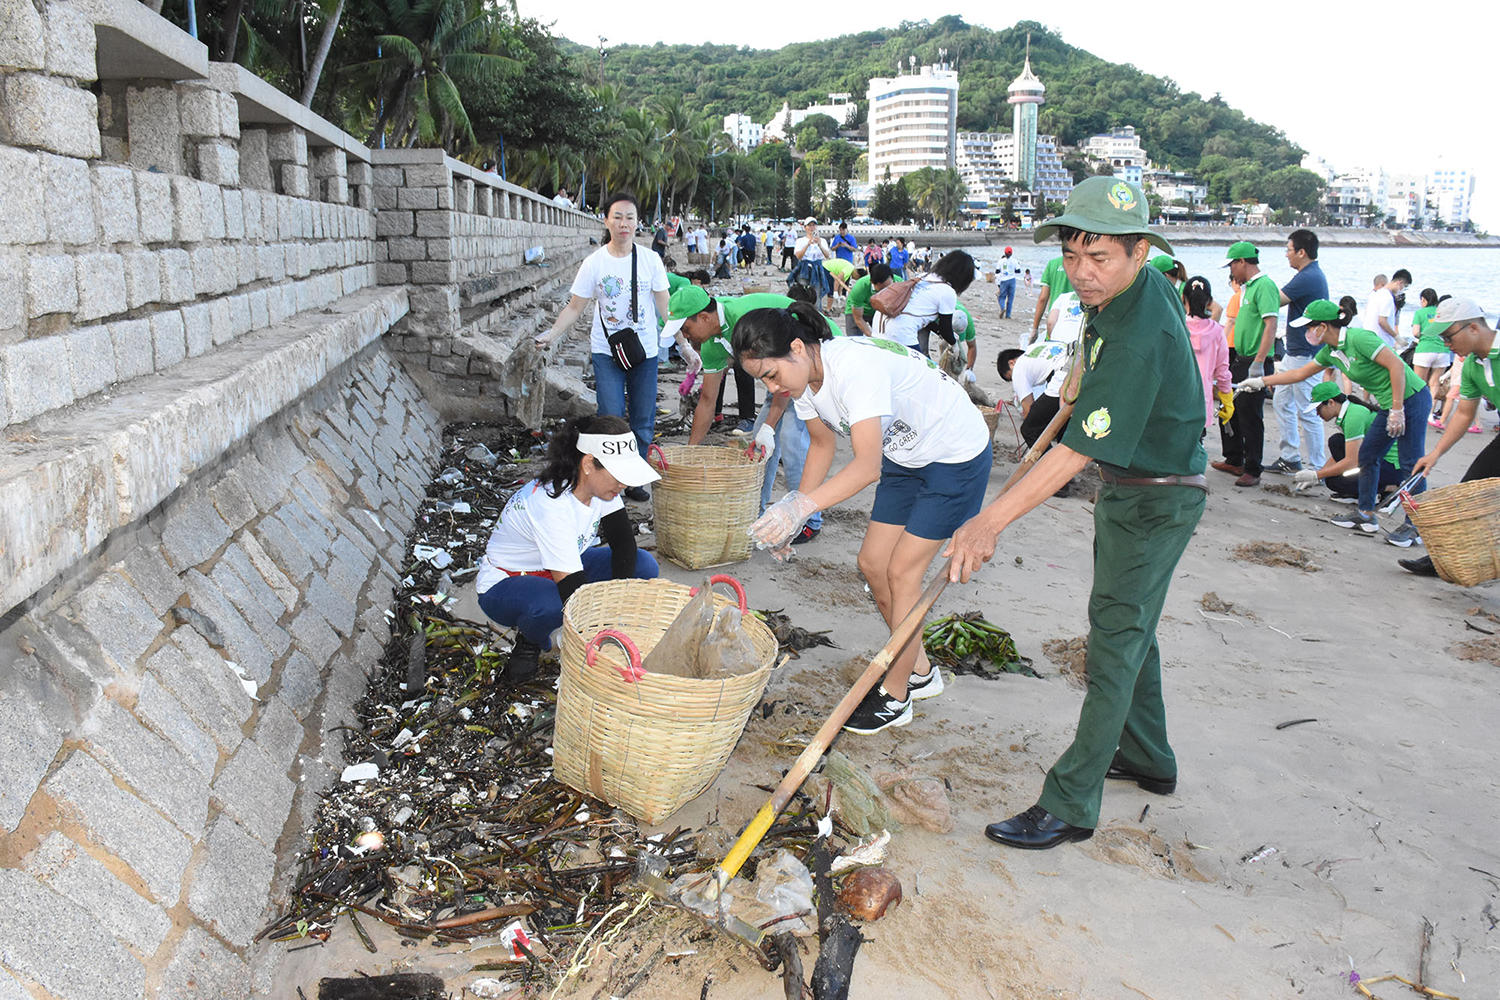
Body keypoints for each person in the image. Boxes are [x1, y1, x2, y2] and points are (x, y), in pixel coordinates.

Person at [946, 177, 1207, 851]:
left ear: (1140, 251)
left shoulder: (1141, 331)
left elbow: (1071, 455)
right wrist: (1078, 375)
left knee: (1115, 639)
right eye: (1072, 255)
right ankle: (1149, 757)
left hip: (1157, 497)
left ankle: (1070, 803)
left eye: (1101, 258)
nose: (1084, 273)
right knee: (1128, 624)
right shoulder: (1136, 290)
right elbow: (1097, 349)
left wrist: (988, 522)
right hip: (1135, 486)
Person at [734, 303, 992, 734]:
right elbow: (822, 445)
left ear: (797, 348)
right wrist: (796, 512)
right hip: (905, 456)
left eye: (772, 375)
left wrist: (801, 508)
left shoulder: (853, 369)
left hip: (955, 455)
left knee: (903, 572)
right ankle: (920, 671)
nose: (772, 387)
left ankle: (896, 696)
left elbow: (867, 466)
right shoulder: (804, 384)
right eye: (763, 380)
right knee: (872, 564)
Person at [475, 415, 660, 678]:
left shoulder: (600, 489)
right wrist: (600, 639)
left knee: (643, 565)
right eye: (619, 475)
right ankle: (530, 640)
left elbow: (624, 546)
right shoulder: (551, 505)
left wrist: (617, 611)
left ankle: (582, 624)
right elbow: (574, 591)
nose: (624, 485)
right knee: (551, 605)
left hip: (565, 565)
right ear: (588, 464)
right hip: (508, 580)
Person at [1247, 298, 1430, 546]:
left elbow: (1396, 366)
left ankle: (1415, 527)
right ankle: (1365, 514)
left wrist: (1398, 408)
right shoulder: (1331, 352)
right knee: (1367, 456)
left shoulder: (1358, 338)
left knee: (1411, 462)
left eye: (1310, 326)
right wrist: (1262, 382)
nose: (1307, 332)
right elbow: (1299, 373)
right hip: (1390, 404)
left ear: (1323, 326)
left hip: (1412, 398)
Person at [537, 192, 670, 503]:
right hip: (607, 351)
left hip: (645, 351)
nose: (624, 223)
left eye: (630, 218)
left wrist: (684, 345)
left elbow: (665, 306)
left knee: (643, 420)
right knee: (610, 416)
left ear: (638, 223)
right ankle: (610, 477)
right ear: (606, 220)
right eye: (617, 217)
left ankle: (634, 478)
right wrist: (552, 334)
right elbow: (575, 306)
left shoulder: (650, 260)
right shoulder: (594, 262)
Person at [1400, 298, 1498, 574]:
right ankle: (1443, 559)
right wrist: (1435, 454)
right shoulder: (1472, 366)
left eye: (1448, 336)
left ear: (1473, 328)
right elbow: (1464, 414)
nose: (1446, 344)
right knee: (1468, 490)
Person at [1268, 229, 1331, 476]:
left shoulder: (1308, 276)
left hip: (1305, 354)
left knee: (1308, 411)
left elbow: (1276, 299)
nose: (1287, 255)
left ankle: (1317, 467)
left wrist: (1255, 286)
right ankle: (1290, 457)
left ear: (1302, 252)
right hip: (1295, 352)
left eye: (1289, 250)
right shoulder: (1309, 274)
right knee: (1282, 402)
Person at [1219, 241, 1279, 488]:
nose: (1231, 271)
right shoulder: (1247, 288)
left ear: (1242, 262)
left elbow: (1271, 324)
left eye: (1232, 265)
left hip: (1255, 360)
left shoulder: (1264, 285)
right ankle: (1234, 458)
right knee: (1229, 407)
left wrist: (1259, 362)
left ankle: (1253, 468)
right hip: (1240, 358)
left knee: (1251, 415)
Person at [1295, 382, 1402, 503]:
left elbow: (1352, 461)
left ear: (1331, 403)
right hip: (1378, 458)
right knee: (1336, 441)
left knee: (1334, 482)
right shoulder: (1350, 410)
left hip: (1392, 467)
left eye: (1318, 409)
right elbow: (1343, 452)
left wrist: (1317, 475)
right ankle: (1360, 489)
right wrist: (1319, 477)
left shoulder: (1353, 417)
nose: (1317, 414)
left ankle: (1389, 488)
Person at [879, 251, 977, 356]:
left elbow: (924, 317)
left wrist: (944, 333)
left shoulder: (923, 276)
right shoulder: (947, 291)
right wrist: (954, 344)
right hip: (901, 331)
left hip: (880, 322)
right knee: (921, 364)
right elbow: (945, 329)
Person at [1183, 276, 1233, 433]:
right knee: (1198, 442)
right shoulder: (1217, 331)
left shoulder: (1177, 326)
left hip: (1175, 401)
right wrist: (1227, 397)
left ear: (1183, 298)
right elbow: (1222, 371)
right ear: (1209, 301)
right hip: (1202, 403)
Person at [996, 341, 1069, 451]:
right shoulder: (1034, 348)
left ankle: (1048, 460)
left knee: (1030, 430)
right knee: (1063, 424)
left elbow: (1028, 410)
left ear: (1011, 363)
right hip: (1078, 363)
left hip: (1062, 376)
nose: (1013, 381)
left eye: (1011, 377)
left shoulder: (1018, 368)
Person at [1409, 288, 1451, 424]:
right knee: (1434, 384)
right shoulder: (1441, 313)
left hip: (1425, 350)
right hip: (1442, 351)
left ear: (1424, 300)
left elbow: (1416, 332)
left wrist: (1424, 336)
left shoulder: (1420, 313)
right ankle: (1429, 414)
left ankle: (1416, 409)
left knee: (1418, 383)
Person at [793, 217, 836, 314]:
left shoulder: (822, 241)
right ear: (805, 227)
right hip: (804, 269)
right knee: (803, 294)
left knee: (817, 294)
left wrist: (819, 244)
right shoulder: (800, 241)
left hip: (817, 269)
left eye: (813, 225)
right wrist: (808, 244)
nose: (811, 227)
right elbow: (799, 256)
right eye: (809, 225)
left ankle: (816, 314)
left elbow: (827, 255)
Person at [1028, 254, 1073, 345]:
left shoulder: (1052, 264)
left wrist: (1035, 328)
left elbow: (1043, 298)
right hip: (1075, 321)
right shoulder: (1084, 264)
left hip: (1054, 322)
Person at [1362, 270, 1411, 350]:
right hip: (1380, 342)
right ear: (1400, 283)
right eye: (1404, 287)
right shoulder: (1387, 297)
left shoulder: (1376, 294)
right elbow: (1382, 321)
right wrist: (1396, 337)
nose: (1402, 290)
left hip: (1370, 339)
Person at [844, 262, 893, 336]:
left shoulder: (899, 283)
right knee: (855, 339)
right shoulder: (860, 287)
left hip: (878, 310)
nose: (884, 292)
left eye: (888, 288)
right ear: (872, 282)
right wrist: (872, 337)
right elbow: (858, 319)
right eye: (881, 289)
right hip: (856, 310)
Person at [996, 246, 1018, 319]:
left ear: (1004, 253)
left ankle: (1002, 308)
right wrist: (1012, 271)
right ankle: (1008, 315)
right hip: (1012, 280)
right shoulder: (1014, 261)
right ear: (1011, 253)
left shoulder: (1001, 261)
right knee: (1010, 298)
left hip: (1004, 280)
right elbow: (1018, 270)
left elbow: (997, 271)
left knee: (1001, 297)